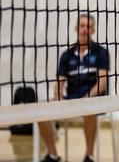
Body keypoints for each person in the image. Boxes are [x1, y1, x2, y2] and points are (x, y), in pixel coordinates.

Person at [39, 14, 110, 162]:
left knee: (90, 110)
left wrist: (85, 100)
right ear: (76, 28)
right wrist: (59, 98)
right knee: (41, 111)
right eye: (82, 26)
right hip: (71, 99)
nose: (85, 30)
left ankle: (89, 156)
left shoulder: (101, 52)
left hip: (93, 100)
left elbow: (102, 83)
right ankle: (52, 155)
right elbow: (59, 83)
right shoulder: (66, 55)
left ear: (93, 30)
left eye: (88, 27)